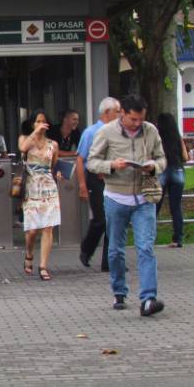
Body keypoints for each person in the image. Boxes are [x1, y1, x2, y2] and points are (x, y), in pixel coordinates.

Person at [87, 94, 166, 315]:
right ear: (122, 114)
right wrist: (112, 165)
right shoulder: (106, 132)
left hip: (144, 198)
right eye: (133, 119)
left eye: (141, 119)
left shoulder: (151, 131)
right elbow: (92, 162)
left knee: (146, 247)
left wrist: (154, 167)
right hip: (116, 197)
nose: (137, 123)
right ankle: (119, 291)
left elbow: (162, 158)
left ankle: (148, 299)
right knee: (115, 250)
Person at [77, 97, 121, 271]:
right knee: (101, 219)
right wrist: (82, 185)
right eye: (117, 111)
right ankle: (87, 248)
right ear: (107, 112)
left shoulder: (118, 131)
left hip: (113, 179)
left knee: (113, 219)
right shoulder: (91, 132)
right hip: (95, 180)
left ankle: (110, 261)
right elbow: (81, 159)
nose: (120, 114)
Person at [19, 110, 62, 281]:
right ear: (32, 124)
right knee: (32, 231)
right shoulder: (25, 139)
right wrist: (35, 132)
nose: (41, 124)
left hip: (49, 189)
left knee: (48, 228)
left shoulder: (53, 144)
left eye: (43, 121)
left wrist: (57, 174)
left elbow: (53, 165)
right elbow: (23, 148)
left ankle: (43, 266)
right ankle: (29, 253)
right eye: (37, 121)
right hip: (31, 188)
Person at [155, 113, 189, 248]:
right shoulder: (177, 137)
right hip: (177, 171)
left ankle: (149, 237)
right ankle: (178, 239)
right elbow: (185, 157)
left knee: (155, 206)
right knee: (176, 207)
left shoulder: (157, 137)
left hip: (162, 171)